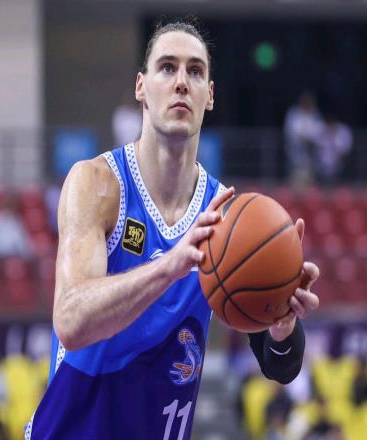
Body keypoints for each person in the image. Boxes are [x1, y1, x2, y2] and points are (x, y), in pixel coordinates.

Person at [25, 20, 320, 439]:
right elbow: (71, 322)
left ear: (209, 95)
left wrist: (281, 322)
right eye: (167, 67)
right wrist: (170, 266)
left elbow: (281, 366)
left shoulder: (222, 216)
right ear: (141, 88)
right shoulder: (97, 184)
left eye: (195, 71)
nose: (181, 81)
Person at [284, 91, 323, 188]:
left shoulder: (315, 114)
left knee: (310, 183)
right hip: (296, 154)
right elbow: (293, 132)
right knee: (296, 182)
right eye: (305, 101)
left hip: (311, 155)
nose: (307, 103)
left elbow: (319, 132)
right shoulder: (293, 113)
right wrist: (306, 135)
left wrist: (309, 136)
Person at [313, 115, 352, 185]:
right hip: (321, 165)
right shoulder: (320, 129)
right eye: (329, 123)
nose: (330, 126)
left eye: (332, 123)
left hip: (339, 164)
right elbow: (315, 145)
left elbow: (345, 150)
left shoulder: (343, 131)